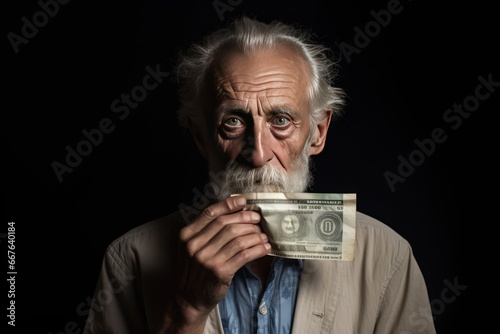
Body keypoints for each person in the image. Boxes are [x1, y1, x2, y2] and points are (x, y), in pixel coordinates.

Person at [83, 16, 436, 334]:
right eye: (233, 122)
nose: (259, 154)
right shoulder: (129, 259)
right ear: (200, 137)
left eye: (281, 121)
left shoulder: (387, 257)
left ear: (318, 133)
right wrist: (185, 313)